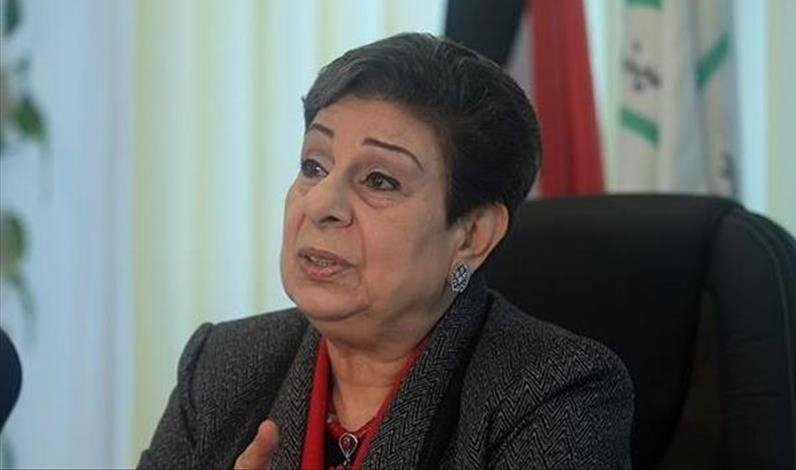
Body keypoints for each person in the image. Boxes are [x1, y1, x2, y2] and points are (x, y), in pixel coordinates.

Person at [138, 32, 633, 470]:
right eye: (314, 166)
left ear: (471, 235)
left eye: (379, 180)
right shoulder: (222, 367)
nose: (322, 204)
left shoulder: (554, 392)